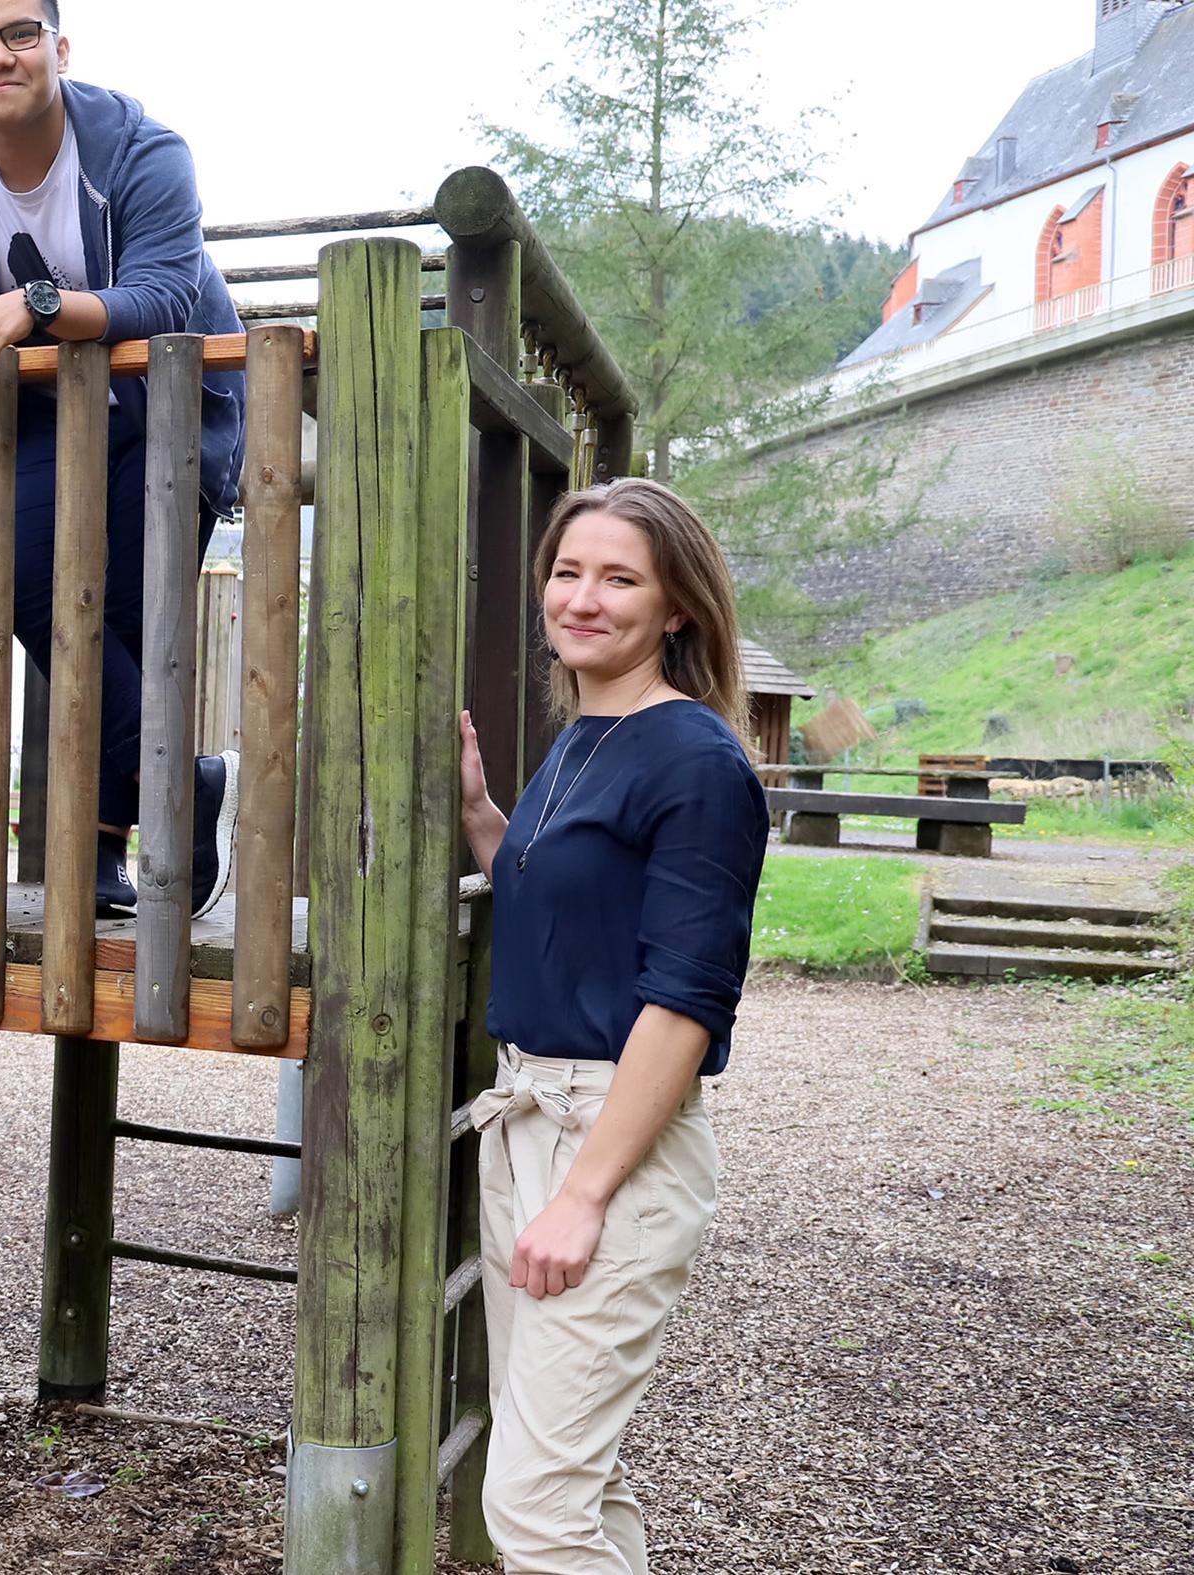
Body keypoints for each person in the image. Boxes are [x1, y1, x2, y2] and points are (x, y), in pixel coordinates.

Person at [0, 0, 247, 917]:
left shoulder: (143, 148)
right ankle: (187, 786)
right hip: (52, 416)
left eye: (20, 34)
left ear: (59, 49)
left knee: (136, 618)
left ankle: (106, 846)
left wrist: (35, 302)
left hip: (175, 402)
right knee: (29, 590)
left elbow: (162, 293)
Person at [455, 477, 769, 1575]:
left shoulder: (696, 762)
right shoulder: (584, 734)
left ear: (675, 606)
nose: (581, 598)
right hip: (528, 1117)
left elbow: (684, 1002)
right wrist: (488, 822)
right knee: (571, 1475)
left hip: (609, 1142)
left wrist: (585, 1193)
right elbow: (574, 904)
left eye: (618, 578)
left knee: (535, 1508)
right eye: (567, 571)